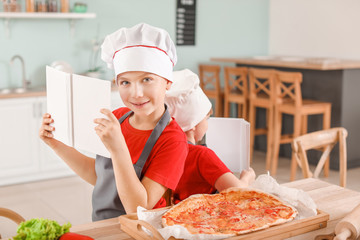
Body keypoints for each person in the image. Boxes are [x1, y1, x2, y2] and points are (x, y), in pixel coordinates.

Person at [39, 23, 188, 221]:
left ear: (168, 82)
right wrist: (55, 144)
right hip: (103, 225)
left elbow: (138, 210)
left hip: (139, 232)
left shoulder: (173, 141)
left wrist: (118, 149)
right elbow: (99, 176)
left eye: (147, 80)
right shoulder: (117, 117)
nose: (136, 93)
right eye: (125, 82)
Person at [165, 69, 255, 204]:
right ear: (193, 124)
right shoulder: (202, 155)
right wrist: (246, 179)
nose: (208, 124)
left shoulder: (165, 151)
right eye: (206, 119)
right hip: (207, 216)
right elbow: (237, 192)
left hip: (180, 212)